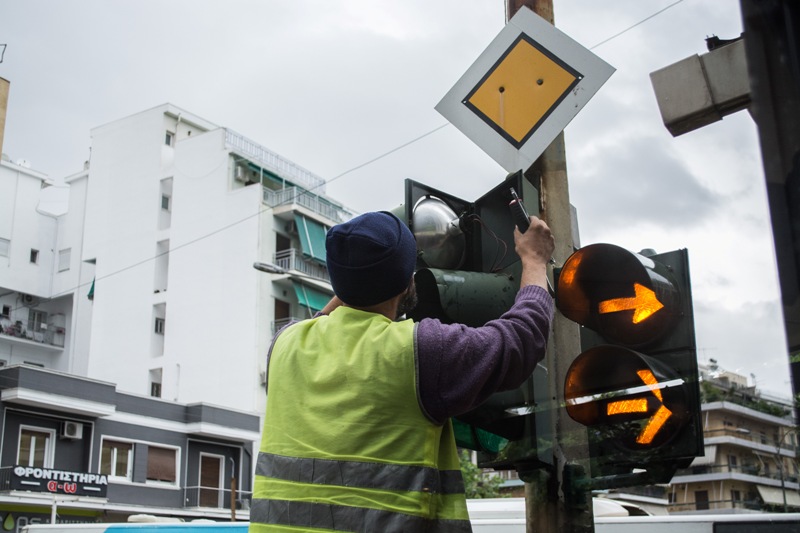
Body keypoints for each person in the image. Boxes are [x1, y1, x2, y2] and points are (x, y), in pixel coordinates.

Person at [250, 210, 555, 533]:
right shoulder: (419, 350)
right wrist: (535, 261)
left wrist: (357, 279)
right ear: (406, 279)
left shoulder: (283, 346)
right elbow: (521, 339)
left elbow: (320, 320)